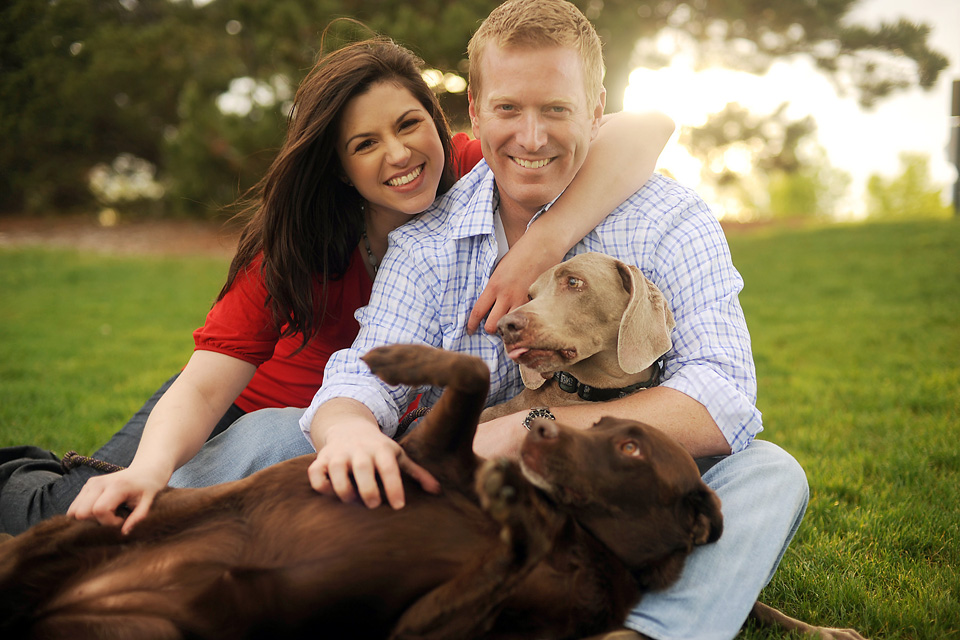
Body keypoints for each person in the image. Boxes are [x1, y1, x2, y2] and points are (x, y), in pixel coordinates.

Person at [173, 2, 808, 638]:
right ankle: (142, 531)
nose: (531, 138)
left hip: (596, 478)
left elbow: (723, 395)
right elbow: (361, 377)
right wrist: (352, 430)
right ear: (474, 110)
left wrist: (534, 427)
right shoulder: (427, 241)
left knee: (770, 473)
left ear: (596, 109)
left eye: (556, 109)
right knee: (285, 435)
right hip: (467, 486)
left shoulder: (671, 221)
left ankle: (649, 630)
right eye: (508, 110)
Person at [0, 34, 673, 536]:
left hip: (357, 433)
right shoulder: (294, 249)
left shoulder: (473, 172)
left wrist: (544, 245)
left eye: (410, 124)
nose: (400, 154)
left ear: (440, 122)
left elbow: (647, 129)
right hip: (243, 417)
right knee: (87, 515)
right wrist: (146, 472)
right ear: (339, 166)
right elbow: (205, 385)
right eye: (365, 144)